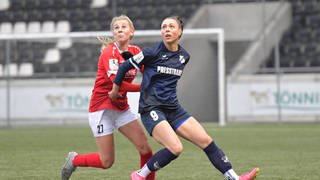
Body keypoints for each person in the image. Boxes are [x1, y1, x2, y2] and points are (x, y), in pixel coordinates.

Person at [109, 15, 259, 180]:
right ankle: (139, 175)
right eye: (164, 27)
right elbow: (124, 67)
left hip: (173, 109)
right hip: (151, 108)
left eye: (171, 27)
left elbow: (155, 74)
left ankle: (235, 178)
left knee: (206, 140)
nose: (167, 30)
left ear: (180, 32)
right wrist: (115, 92)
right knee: (176, 148)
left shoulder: (184, 56)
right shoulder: (151, 52)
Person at [60, 15, 155, 180]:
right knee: (106, 161)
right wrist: (145, 88)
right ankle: (74, 160)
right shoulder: (109, 52)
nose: (119, 30)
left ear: (132, 32)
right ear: (113, 33)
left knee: (146, 150)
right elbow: (117, 85)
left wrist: (157, 77)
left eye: (123, 27)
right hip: (101, 108)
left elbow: (148, 72)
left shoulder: (136, 51)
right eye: (116, 28)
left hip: (121, 108)